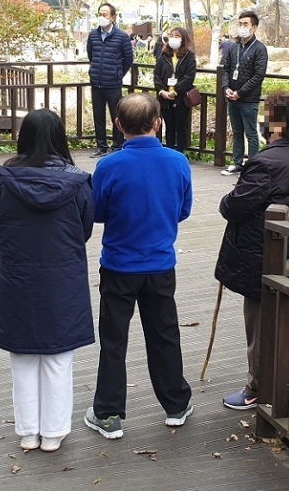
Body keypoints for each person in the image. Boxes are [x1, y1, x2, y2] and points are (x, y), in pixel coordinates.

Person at [0, 109, 95, 454]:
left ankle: (29, 432)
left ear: (24, 137)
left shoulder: (3, 180)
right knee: (59, 357)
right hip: (63, 276)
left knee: (23, 355)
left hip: (17, 275)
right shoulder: (78, 182)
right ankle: (54, 432)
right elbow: (85, 229)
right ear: (60, 137)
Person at [84, 92, 194, 440]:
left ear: (118, 125)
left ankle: (109, 413)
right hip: (160, 263)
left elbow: (97, 212)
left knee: (114, 340)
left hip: (118, 264)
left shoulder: (108, 166)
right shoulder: (177, 162)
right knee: (164, 334)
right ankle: (175, 404)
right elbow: (183, 210)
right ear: (158, 122)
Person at [215, 94, 289, 410]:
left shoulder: (266, 162)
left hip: (261, 255)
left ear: (279, 124)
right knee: (277, 321)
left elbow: (235, 205)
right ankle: (276, 382)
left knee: (258, 326)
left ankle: (256, 387)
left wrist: (228, 199)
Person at [220, 10, 269, 176]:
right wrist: (226, 88)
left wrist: (240, 92)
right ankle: (237, 162)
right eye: (240, 24)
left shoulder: (260, 49)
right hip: (232, 98)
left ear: (254, 28)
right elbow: (226, 69)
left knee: (251, 134)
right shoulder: (234, 48)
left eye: (245, 24)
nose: (242, 27)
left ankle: (252, 166)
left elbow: (258, 76)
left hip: (249, 99)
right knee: (237, 132)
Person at [87, 3, 134, 158]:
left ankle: (117, 145)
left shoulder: (122, 36)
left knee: (116, 115)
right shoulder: (93, 35)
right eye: (99, 14)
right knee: (98, 115)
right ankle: (101, 145)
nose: (102, 17)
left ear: (112, 17)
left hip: (113, 83)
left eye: (105, 14)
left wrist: (117, 74)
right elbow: (90, 55)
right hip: (96, 82)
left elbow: (128, 59)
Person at [154, 26, 198, 151]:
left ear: (183, 39)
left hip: (181, 98)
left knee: (180, 127)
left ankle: (180, 154)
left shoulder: (189, 56)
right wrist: (162, 91)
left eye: (177, 36)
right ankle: (169, 152)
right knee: (169, 127)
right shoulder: (163, 55)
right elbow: (156, 75)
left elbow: (189, 77)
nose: (173, 39)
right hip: (165, 98)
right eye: (171, 36)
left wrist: (175, 91)